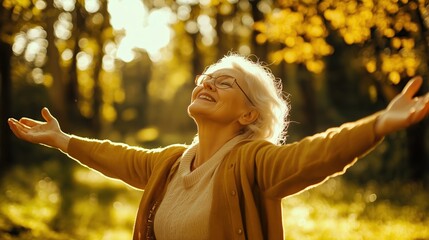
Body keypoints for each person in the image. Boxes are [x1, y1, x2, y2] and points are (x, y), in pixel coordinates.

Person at [8, 53, 429, 240]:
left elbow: (314, 154)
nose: (207, 82)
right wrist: (63, 141)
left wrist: (379, 124)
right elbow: (119, 157)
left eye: (225, 82)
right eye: (207, 78)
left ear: (249, 115)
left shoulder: (252, 162)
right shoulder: (172, 162)